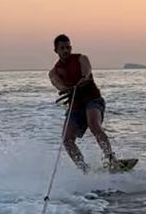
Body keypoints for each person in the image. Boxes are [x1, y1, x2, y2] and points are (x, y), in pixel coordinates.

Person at [48, 34, 118, 172]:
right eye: (62, 48)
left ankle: (111, 159)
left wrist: (83, 80)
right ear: (56, 50)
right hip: (76, 105)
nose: (66, 51)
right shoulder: (53, 72)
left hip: (93, 100)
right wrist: (66, 90)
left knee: (94, 125)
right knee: (67, 140)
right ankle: (84, 169)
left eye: (68, 47)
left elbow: (87, 73)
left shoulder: (81, 59)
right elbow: (59, 85)